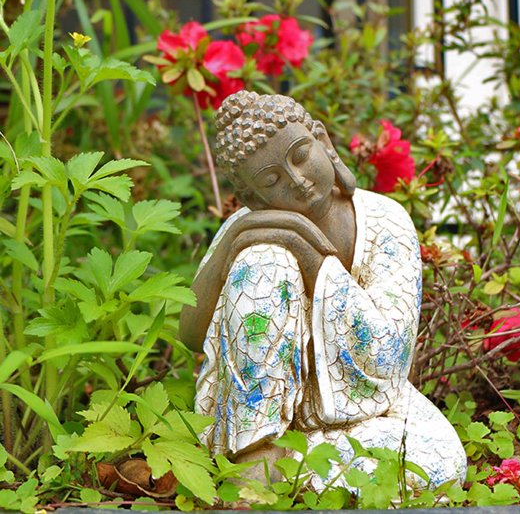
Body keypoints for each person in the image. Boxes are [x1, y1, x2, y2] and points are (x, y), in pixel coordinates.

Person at [180, 90, 466, 488]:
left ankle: (287, 466)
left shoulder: (387, 221)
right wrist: (235, 240)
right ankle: (253, 451)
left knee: (439, 459)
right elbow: (192, 335)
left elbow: (388, 356)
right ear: (251, 196)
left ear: (324, 142)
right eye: (271, 179)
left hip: (364, 413)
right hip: (264, 415)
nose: (297, 181)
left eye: (299, 156)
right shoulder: (245, 228)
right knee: (263, 259)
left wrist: (313, 260)